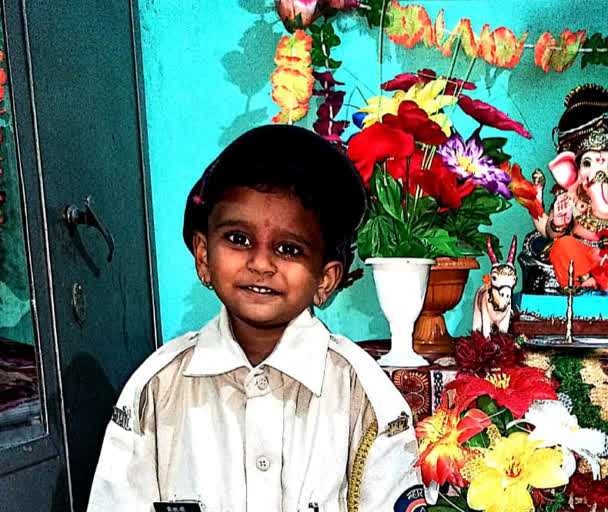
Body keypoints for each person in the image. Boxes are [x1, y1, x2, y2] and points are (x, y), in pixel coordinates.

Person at [87, 125, 427, 512]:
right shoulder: (154, 391)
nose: (261, 263)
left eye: (289, 248)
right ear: (203, 257)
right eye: (238, 239)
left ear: (326, 279)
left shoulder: (364, 398)